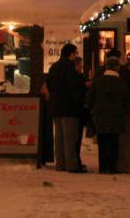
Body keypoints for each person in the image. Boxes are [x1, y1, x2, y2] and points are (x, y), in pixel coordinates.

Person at [86, 56, 130, 174]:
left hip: (100, 116)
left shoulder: (98, 81)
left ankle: (103, 167)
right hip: (116, 116)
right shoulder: (121, 82)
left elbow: (89, 97)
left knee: (102, 142)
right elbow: (127, 100)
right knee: (113, 143)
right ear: (117, 67)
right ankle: (111, 167)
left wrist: (92, 109)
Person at [46, 44, 87, 173]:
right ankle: (72, 165)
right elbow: (75, 87)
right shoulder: (70, 68)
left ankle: (60, 163)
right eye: (75, 53)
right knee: (70, 138)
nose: (76, 56)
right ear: (70, 54)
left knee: (59, 137)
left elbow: (50, 85)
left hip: (56, 107)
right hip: (69, 108)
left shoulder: (54, 67)